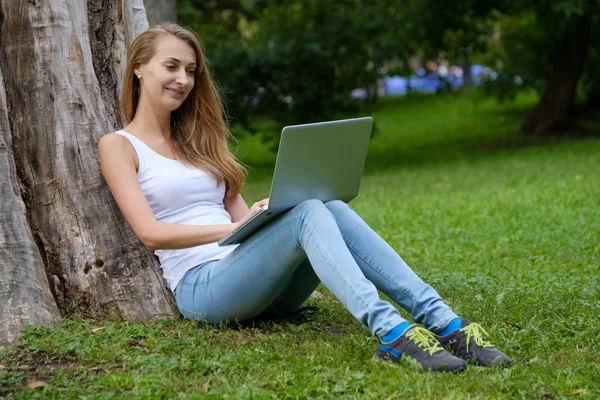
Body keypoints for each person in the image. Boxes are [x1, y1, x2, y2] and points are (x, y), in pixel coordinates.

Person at [98, 23, 512, 373]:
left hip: (254, 283)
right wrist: (233, 228)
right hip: (203, 289)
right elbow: (150, 233)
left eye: (190, 70)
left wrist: (259, 217)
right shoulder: (119, 146)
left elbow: (238, 221)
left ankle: (449, 325)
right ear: (138, 68)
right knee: (309, 212)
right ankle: (393, 334)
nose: (183, 79)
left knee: (328, 205)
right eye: (171, 67)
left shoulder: (198, 140)